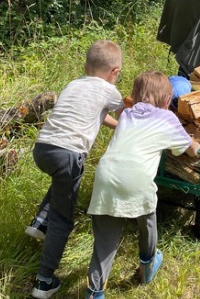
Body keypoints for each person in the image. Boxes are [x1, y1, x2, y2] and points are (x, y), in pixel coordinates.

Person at [84, 71, 200, 299]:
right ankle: (148, 264)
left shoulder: (127, 115)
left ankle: (95, 292)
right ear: (167, 101)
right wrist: (195, 141)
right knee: (147, 220)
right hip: (137, 179)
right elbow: (191, 150)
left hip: (106, 175)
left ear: (135, 96)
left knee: (105, 242)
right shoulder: (168, 118)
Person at [26, 40, 125, 299]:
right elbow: (129, 110)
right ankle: (44, 281)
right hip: (69, 154)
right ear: (114, 72)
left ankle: (39, 223)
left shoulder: (74, 84)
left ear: (85, 66)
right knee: (63, 219)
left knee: (62, 180)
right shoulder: (109, 90)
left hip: (44, 148)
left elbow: (97, 113)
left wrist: (116, 126)